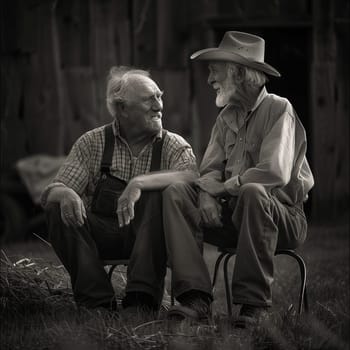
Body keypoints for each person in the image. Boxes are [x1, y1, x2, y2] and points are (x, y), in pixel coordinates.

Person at [167, 31, 314, 327]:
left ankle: (253, 307)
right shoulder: (225, 118)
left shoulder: (278, 108)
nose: (209, 79)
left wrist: (223, 187)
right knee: (177, 192)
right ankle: (196, 297)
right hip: (236, 218)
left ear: (237, 72)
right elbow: (209, 169)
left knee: (254, 193)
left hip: (282, 217)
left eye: (214, 70)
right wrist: (207, 195)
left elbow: (274, 172)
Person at [41, 66, 213, 317]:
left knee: (158, 192)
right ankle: (97, 302)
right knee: (57, 206)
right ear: (122, 108)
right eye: (148, 99)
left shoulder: (173, 145)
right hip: (101, 236)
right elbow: (51, 191)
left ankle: (140, 300)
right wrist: (65, 194)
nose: (159, 106)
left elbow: (191, 176)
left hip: (152, 240)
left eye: (159, 96)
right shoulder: (93, 142)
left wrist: (139, 183)